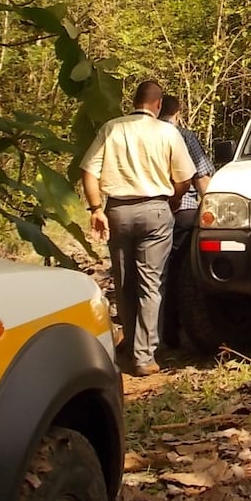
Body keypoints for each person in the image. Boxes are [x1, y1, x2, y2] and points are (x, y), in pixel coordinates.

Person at [80, 81, 195, 376]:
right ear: (158, 105)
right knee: (151, 283)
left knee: (124, 281)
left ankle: (130, 346)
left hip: (118, 209)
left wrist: (95, 208)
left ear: (134, 100)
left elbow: (88, 170)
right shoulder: (167, 132)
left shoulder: (112, 128)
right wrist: (175, 197)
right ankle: (144, 356)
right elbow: (183, 178)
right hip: (156, 208)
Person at [158, 94, 215, 348]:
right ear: (177, 112)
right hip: (184, 210)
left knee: (151, 273)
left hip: (150, 208)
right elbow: (201, 177)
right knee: (180, 273)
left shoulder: (143, 134)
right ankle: (173, 332)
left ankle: (153, 334)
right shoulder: (184, 136)